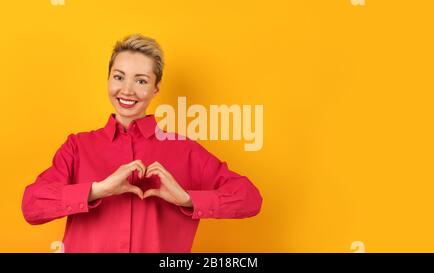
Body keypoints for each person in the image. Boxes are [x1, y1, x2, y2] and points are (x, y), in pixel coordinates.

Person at [21, 34, 263, 252]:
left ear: (156, 88)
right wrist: (97, 190)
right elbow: (31, 206)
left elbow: (250, 198)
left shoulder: (185, 150)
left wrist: (187, 199)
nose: (127, 90)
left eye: (141, 81)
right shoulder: (77, 147)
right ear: (108, 79)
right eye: (118, 77)